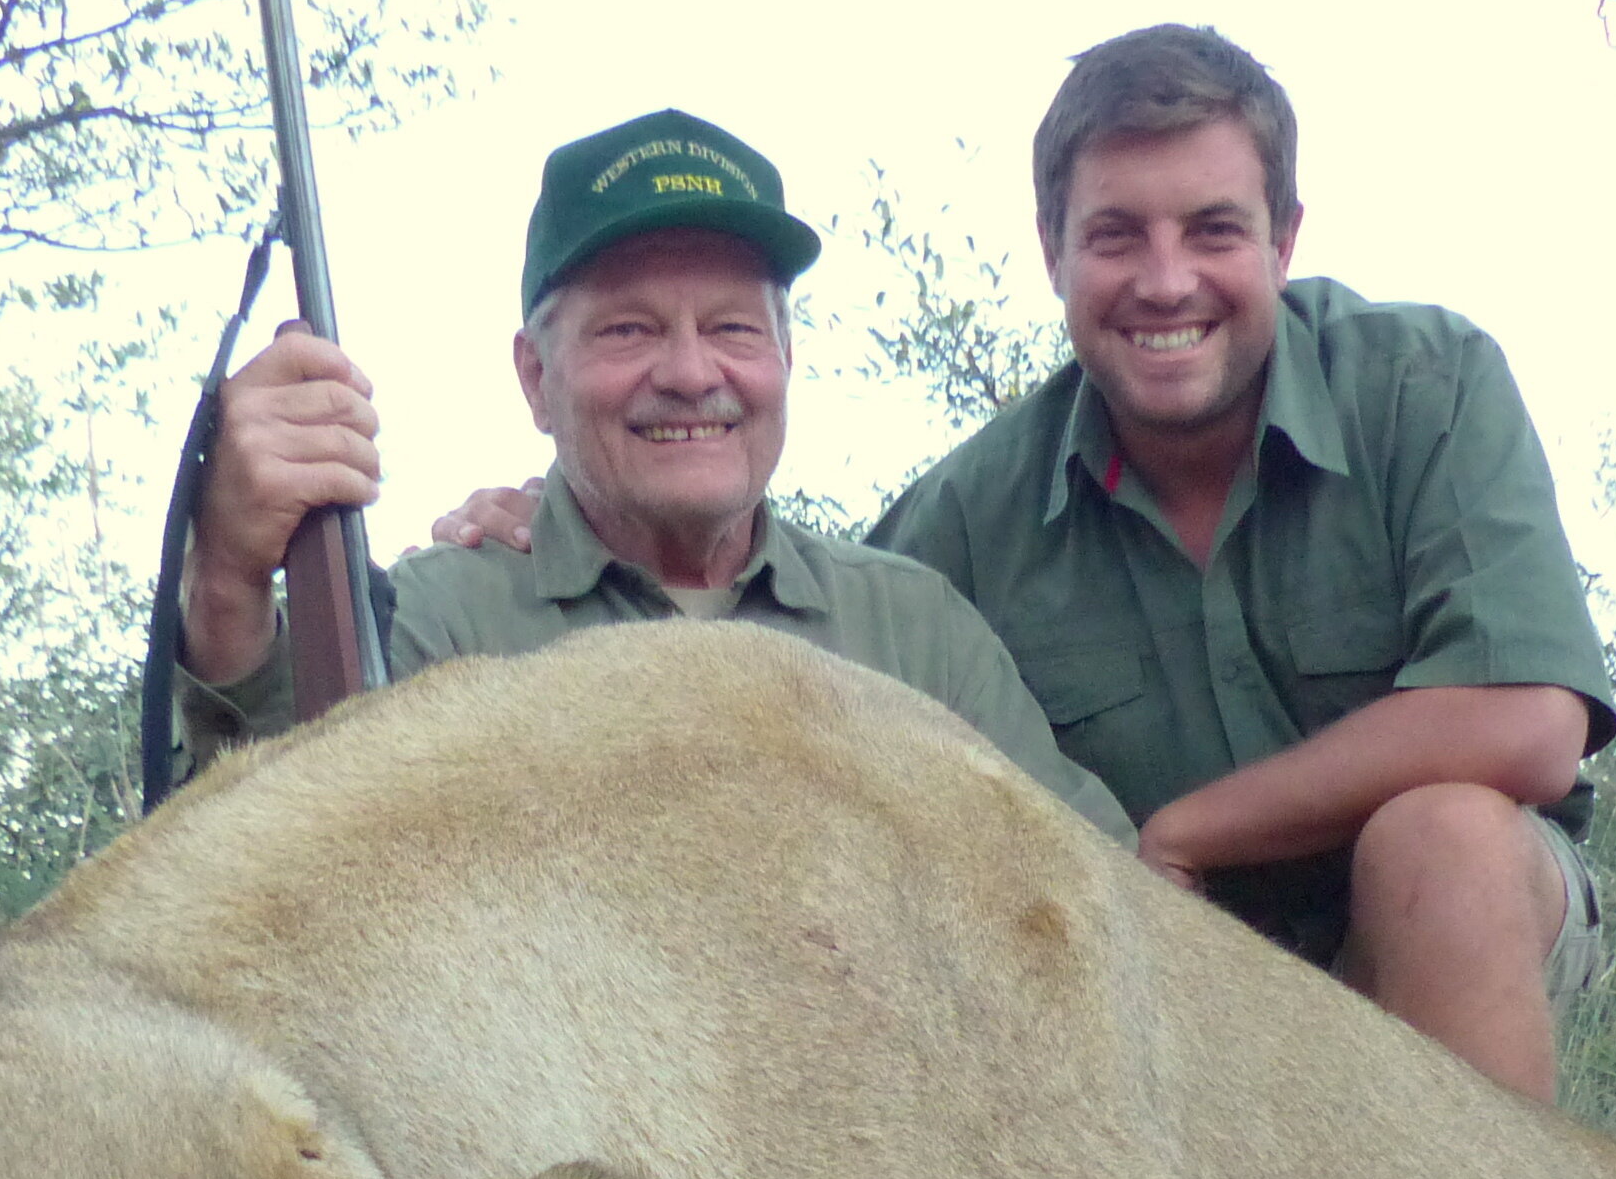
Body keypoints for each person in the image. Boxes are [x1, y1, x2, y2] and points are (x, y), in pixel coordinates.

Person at [441, 31, 1616, 1104]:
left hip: (1441, 929)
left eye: (1212, 229)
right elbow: (786, 600)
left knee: (1442, 841)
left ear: (1284, 238)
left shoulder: (1424, 378)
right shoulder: (956, 524)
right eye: (1115, 236)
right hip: (1178, 998)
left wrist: (1190, 835)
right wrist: (564, 509)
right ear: (1053, 251)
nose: (1165, 282)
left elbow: (1528, 725)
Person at [177, 107, 1132, 846]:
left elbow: (1095, 903)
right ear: (535, 379)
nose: (687, 372)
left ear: (786, 361)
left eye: (731, 328)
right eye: (627, 329)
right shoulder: (434, 627)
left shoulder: (919, 632)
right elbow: (277, 865)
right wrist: (226, 580)